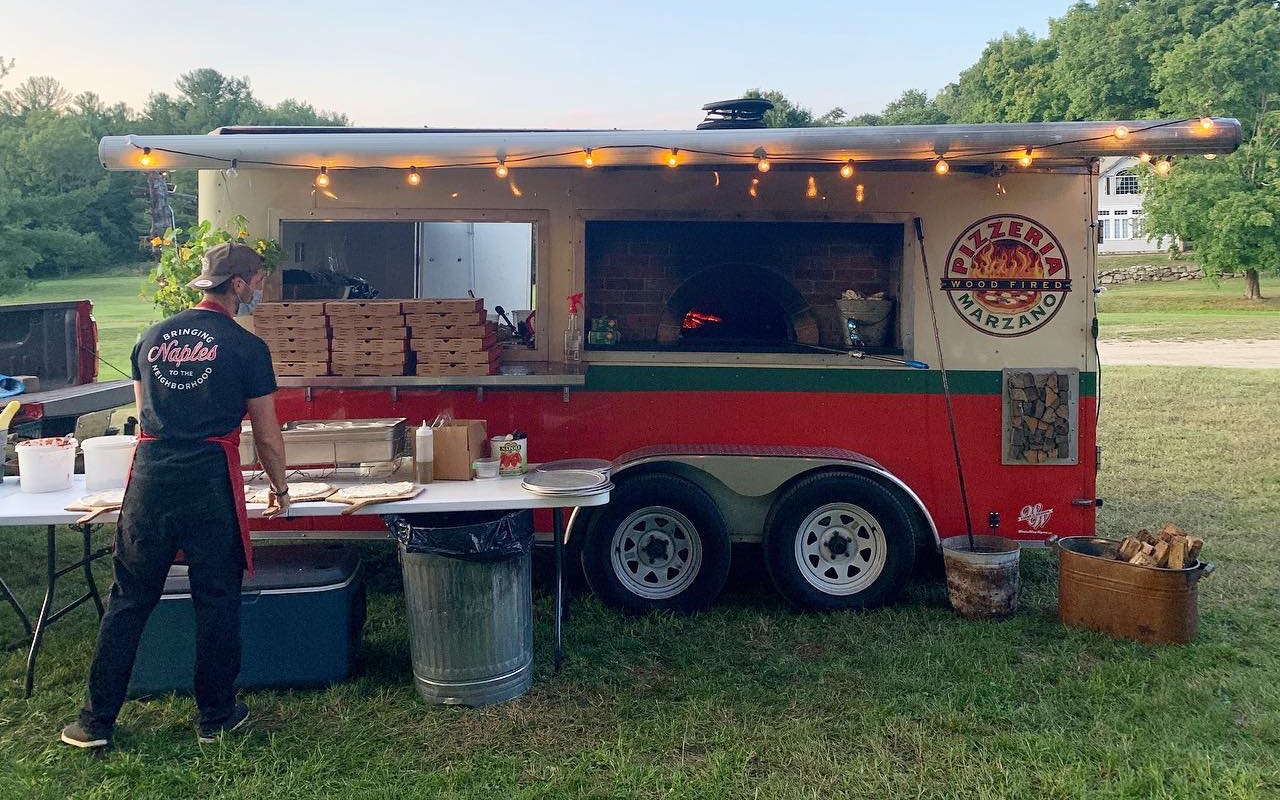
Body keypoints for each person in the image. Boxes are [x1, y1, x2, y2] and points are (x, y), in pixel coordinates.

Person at [60, 242, 290, 749]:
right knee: (216, 598)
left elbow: (147, 418)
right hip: (208, 479)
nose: (259, 291)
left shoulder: (151, 337)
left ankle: (94, 722)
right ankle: (216, 716)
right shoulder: (247, 347)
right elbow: (269, 435)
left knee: (130, 598)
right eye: (256, 281)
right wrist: (280, 486)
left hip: (151, 477)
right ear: (237, 286)